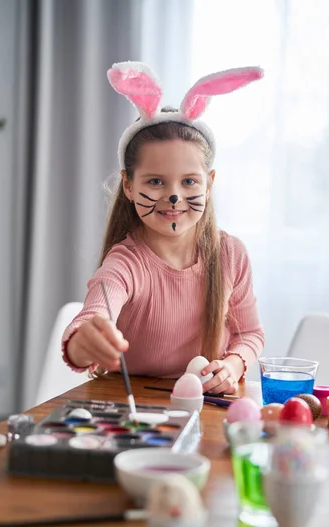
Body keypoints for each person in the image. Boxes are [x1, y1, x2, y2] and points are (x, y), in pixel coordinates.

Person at [62, 61, 265, 395]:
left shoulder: (231, 255)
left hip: (207, 407)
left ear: (209, 184)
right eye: (155, 181)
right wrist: (84, 341)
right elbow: (92, 316)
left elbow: (250, 334)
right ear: (128, 185)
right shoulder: (125, 263)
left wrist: (232, 365)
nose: (174, 197)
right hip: (135, 410)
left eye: (189, 181)